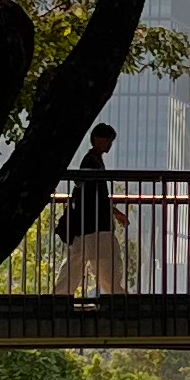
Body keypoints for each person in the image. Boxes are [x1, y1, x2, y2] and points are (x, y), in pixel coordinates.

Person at [52, 123, 130, 296]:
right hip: (95, 223)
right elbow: (96, 196)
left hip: (85, 223)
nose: (110, 144)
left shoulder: (91, 160)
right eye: (108, 140)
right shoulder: (92, 162)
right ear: (99, 139)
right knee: (107, 265)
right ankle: (115, 298)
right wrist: (114, 212)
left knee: (76, 262)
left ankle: (60, 297)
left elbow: (88, 193)